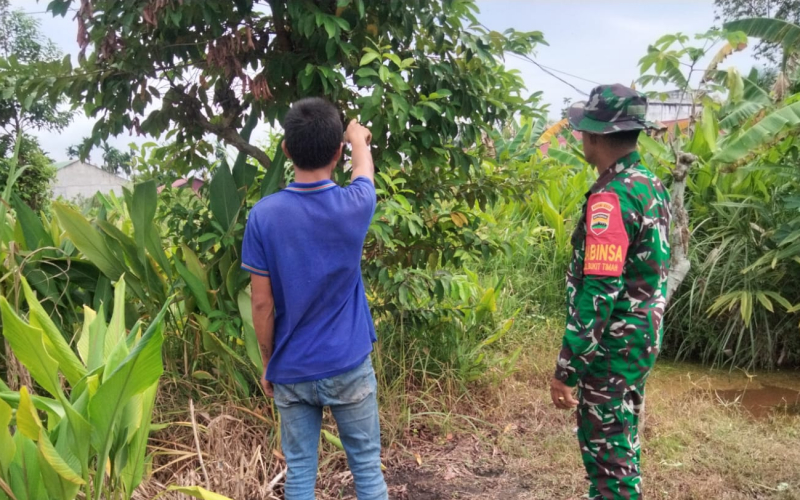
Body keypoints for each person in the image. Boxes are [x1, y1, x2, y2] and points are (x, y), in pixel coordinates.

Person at [242, 97, 388, 500]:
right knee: (366, 469)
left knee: (302, 471)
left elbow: (261, 304)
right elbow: (364, 170)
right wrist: (358, 138)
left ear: (286, 150)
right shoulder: (353, 205)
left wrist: (269, 360)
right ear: (337, 153)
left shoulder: (264, 216)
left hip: (292, 368)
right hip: (348, 363)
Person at [549, 84, 671, 500]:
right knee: (622, 449)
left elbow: (599, 292)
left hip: (612, 352)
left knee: (609, 467)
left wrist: (567, 368)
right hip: (639, 343)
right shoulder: (650, 185)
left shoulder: (611, 199)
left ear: (596, 136)